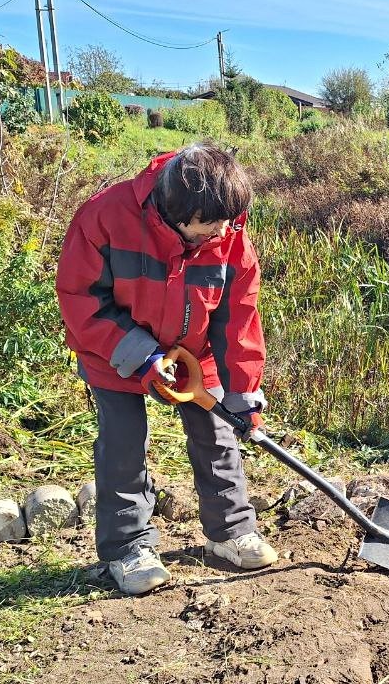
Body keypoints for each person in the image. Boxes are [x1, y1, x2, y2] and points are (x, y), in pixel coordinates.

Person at [56, 143, 278, 596]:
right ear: (175, 211)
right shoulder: (105, 216)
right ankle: (127, 548)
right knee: (123, 441)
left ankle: (231, 533)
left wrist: (243, 395)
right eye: (208, 225)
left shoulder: (228, 231)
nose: (220, 232)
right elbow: (80, 298)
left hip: (196, 351)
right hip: (113, 350)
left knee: (216, 434)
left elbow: (238, 317)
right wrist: (141, 354)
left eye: (228, 222)